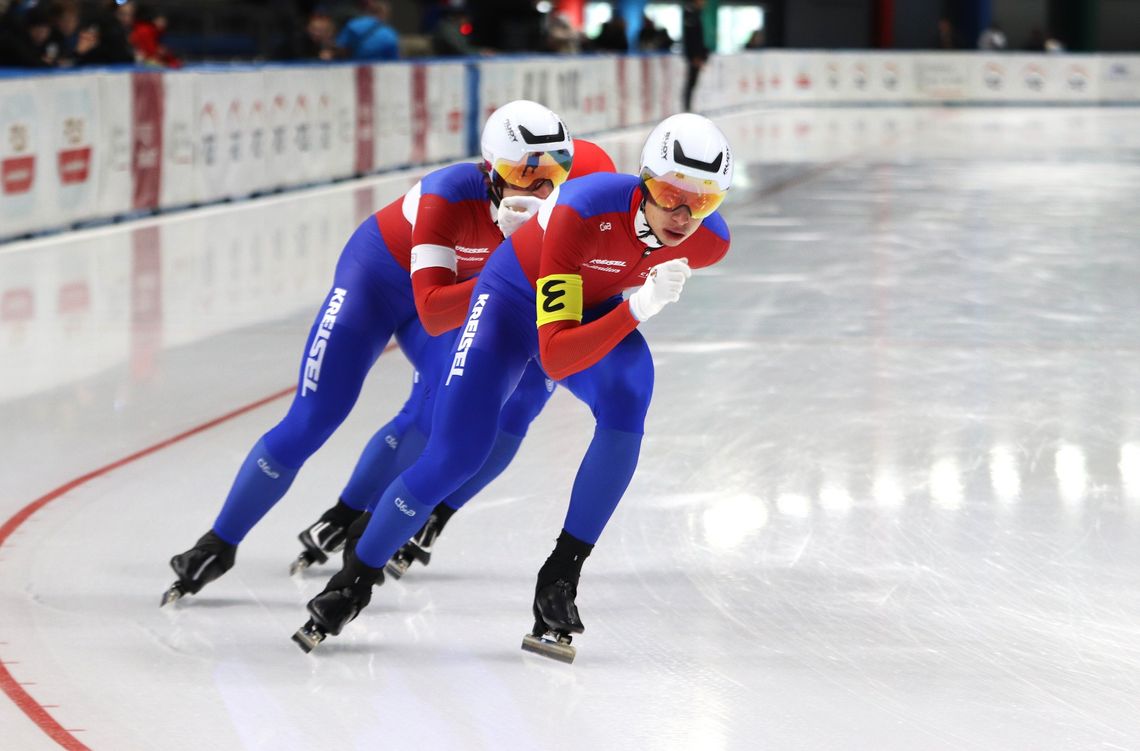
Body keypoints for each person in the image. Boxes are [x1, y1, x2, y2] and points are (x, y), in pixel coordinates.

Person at [293, 113, 733, 663]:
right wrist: (640, 307)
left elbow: (584, 318)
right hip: (506, 305)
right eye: (671, 194)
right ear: (644, 181)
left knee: (628, 396)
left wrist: (626, 304)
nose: (685, 216)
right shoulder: (583, 209)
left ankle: (560, 576)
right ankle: (355, 577)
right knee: (457, 455)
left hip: (582, 306)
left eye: (705, 200)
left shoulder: (711, 241)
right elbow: (554, 354)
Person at [161, 102, 606, 606]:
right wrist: (507, 258)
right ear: (490, 171)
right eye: (524, 174)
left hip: (448, 295)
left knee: (442, 406)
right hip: (378, 285)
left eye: (554, 174)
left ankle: (359, 516)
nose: (541, 190)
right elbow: (434, 312)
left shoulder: (562, 204)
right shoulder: (448, 194)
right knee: (315, 416)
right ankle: (219, 542)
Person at [292, 137, 618, 581]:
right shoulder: (524, 177)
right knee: (429, 407)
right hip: (505, 297)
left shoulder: (598, 186)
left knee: (519, 411)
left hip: (555, 304)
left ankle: (435, 517)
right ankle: (347, 512)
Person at [682, 0, 708, 111]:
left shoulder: (695, 13)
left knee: (693, 83)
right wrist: (694, 56)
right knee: (691, 83)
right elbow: (691, 38)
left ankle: (688, 108)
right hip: (694, 56)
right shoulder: (690, 12)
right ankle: (687, 109)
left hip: (696, 56)